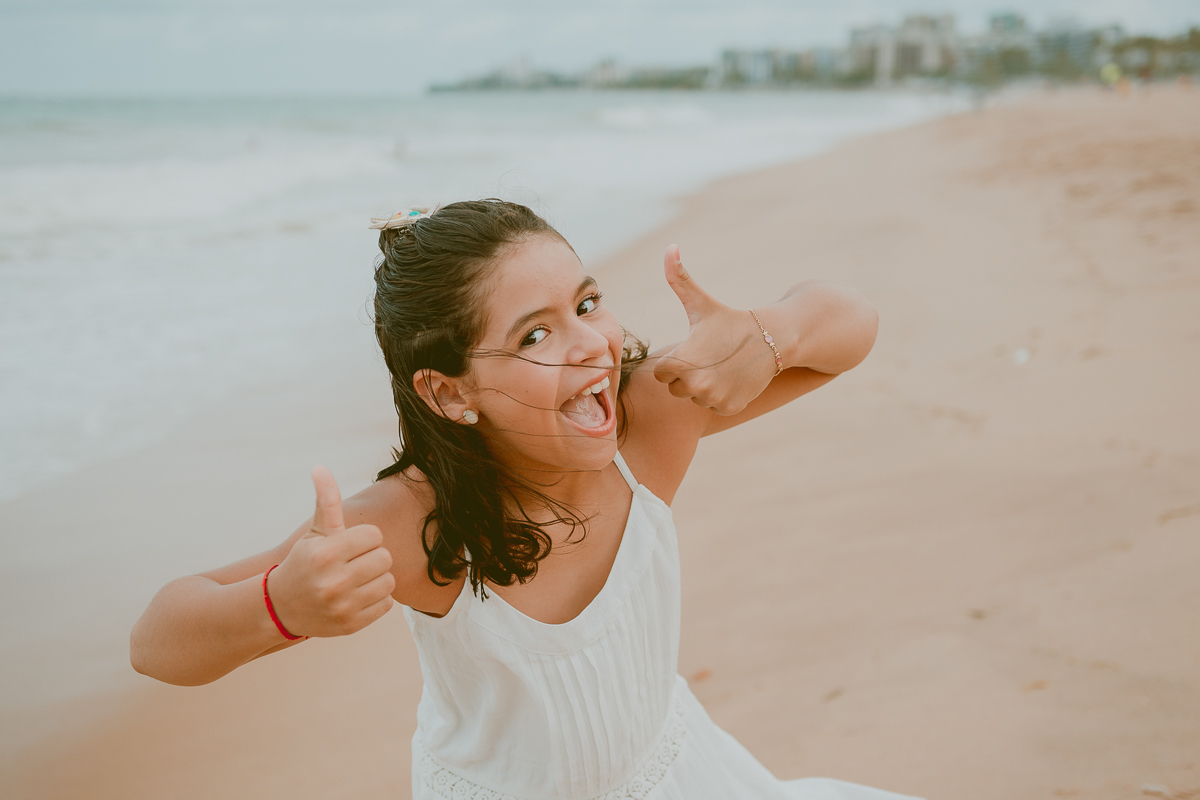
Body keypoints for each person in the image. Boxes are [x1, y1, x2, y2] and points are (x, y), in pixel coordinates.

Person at [131, 199, 918, 799]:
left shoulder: (648, 425)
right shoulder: (418, 523)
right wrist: (280, 607)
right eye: (535, 335)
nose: (588, 343)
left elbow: (851, 324)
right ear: (448, 392)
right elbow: (157, 641)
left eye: (585, 305)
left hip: (673, 769)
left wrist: (770, 333)